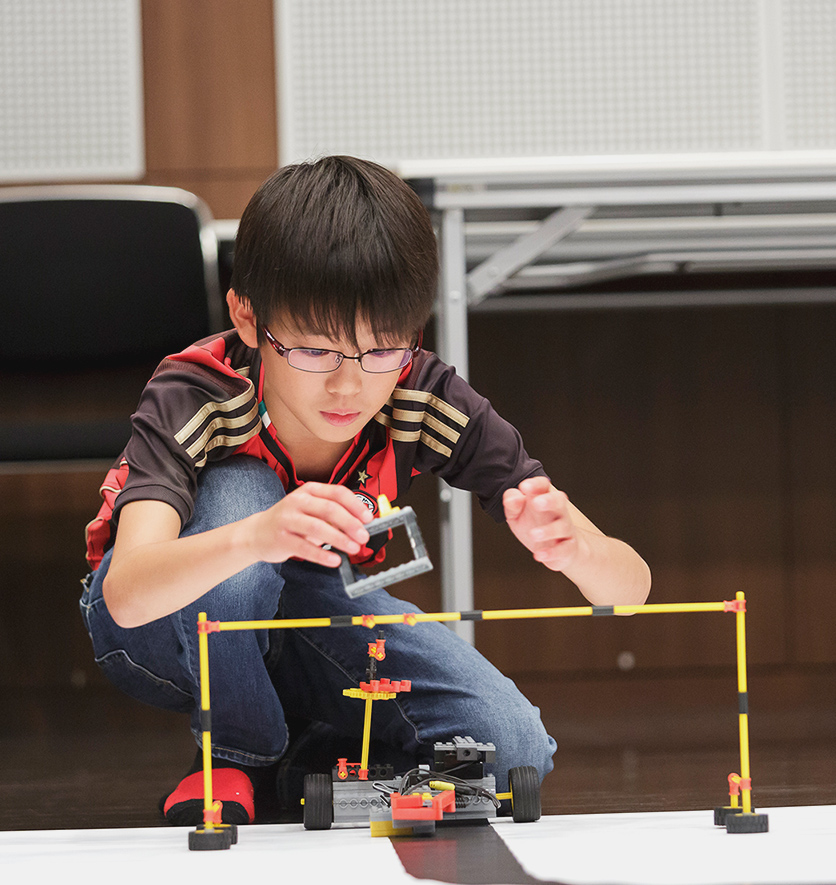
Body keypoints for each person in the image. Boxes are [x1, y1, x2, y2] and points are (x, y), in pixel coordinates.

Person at [80, 156, 651, 826]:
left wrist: (575, 550)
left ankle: (308, 769)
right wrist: (256, 536)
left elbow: (632, 590)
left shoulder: (424, 395)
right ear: (247, 318)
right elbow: (127, 594)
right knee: (243, 492)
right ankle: (238, 755)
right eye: (314, 351)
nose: (349, 385)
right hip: (164, 629)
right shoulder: (197, 393)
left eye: (381, 349)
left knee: (510, 750)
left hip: (312, 613)